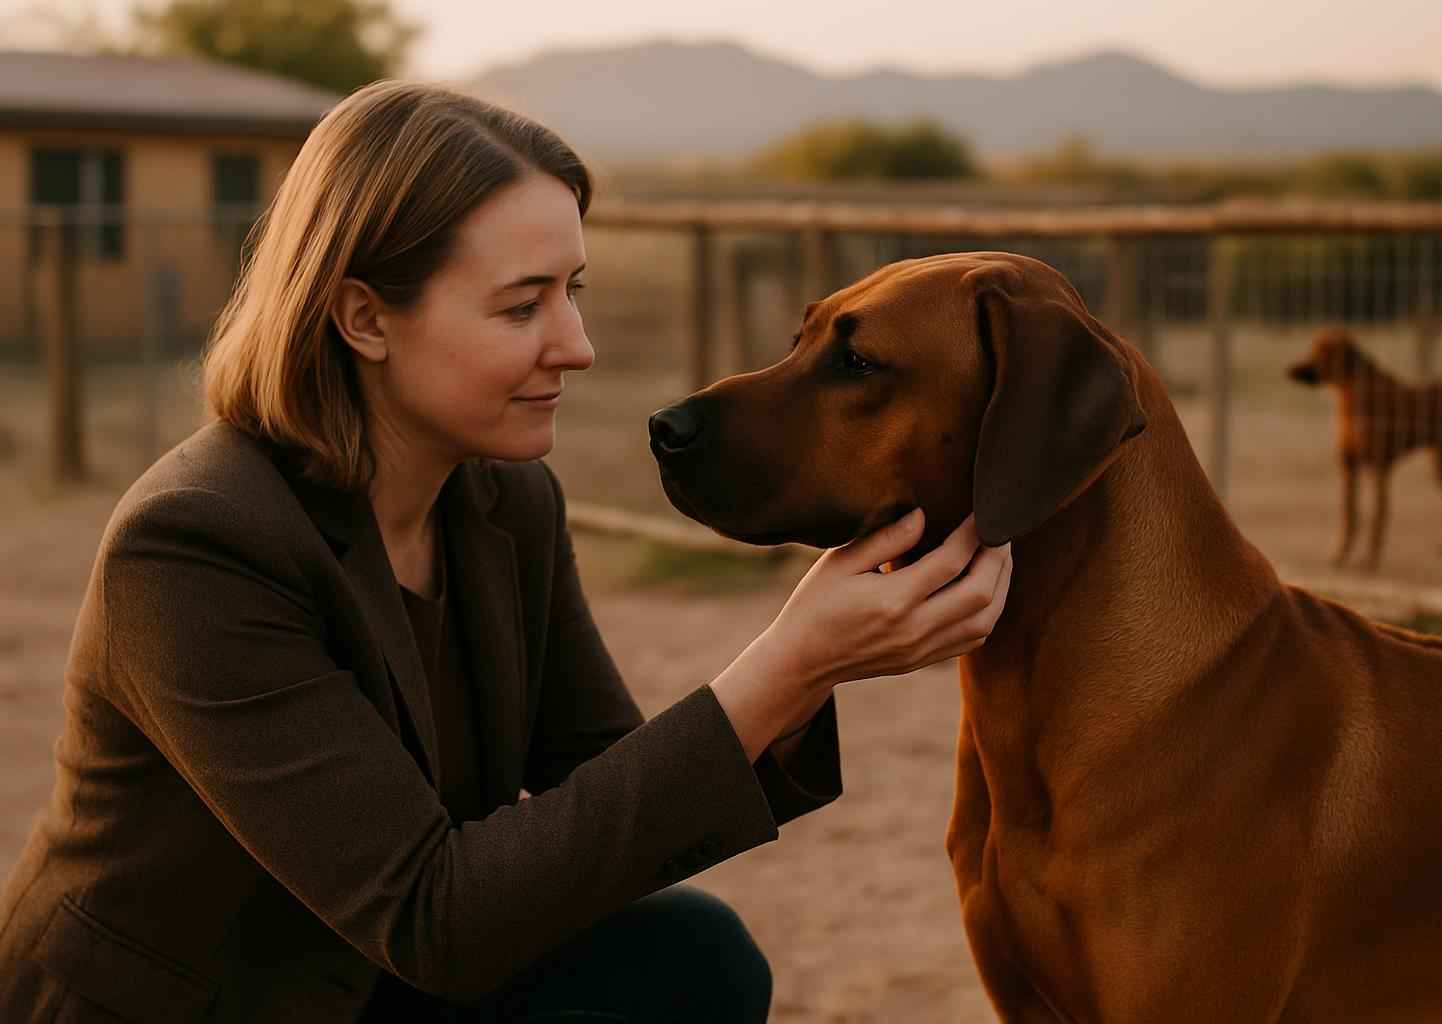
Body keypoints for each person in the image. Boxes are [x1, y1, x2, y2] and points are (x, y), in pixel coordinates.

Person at [0, 80, 1012, 1023]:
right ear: (364, 317)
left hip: (380, 982)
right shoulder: (195, 547)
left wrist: (811, 665)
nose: (575, 343)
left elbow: (613, 789)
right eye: (523, 305)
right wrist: (792, 657)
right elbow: (431, 911)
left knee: (691, 955)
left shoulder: (502, 502)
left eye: (571, 290)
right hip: (206, 1005)